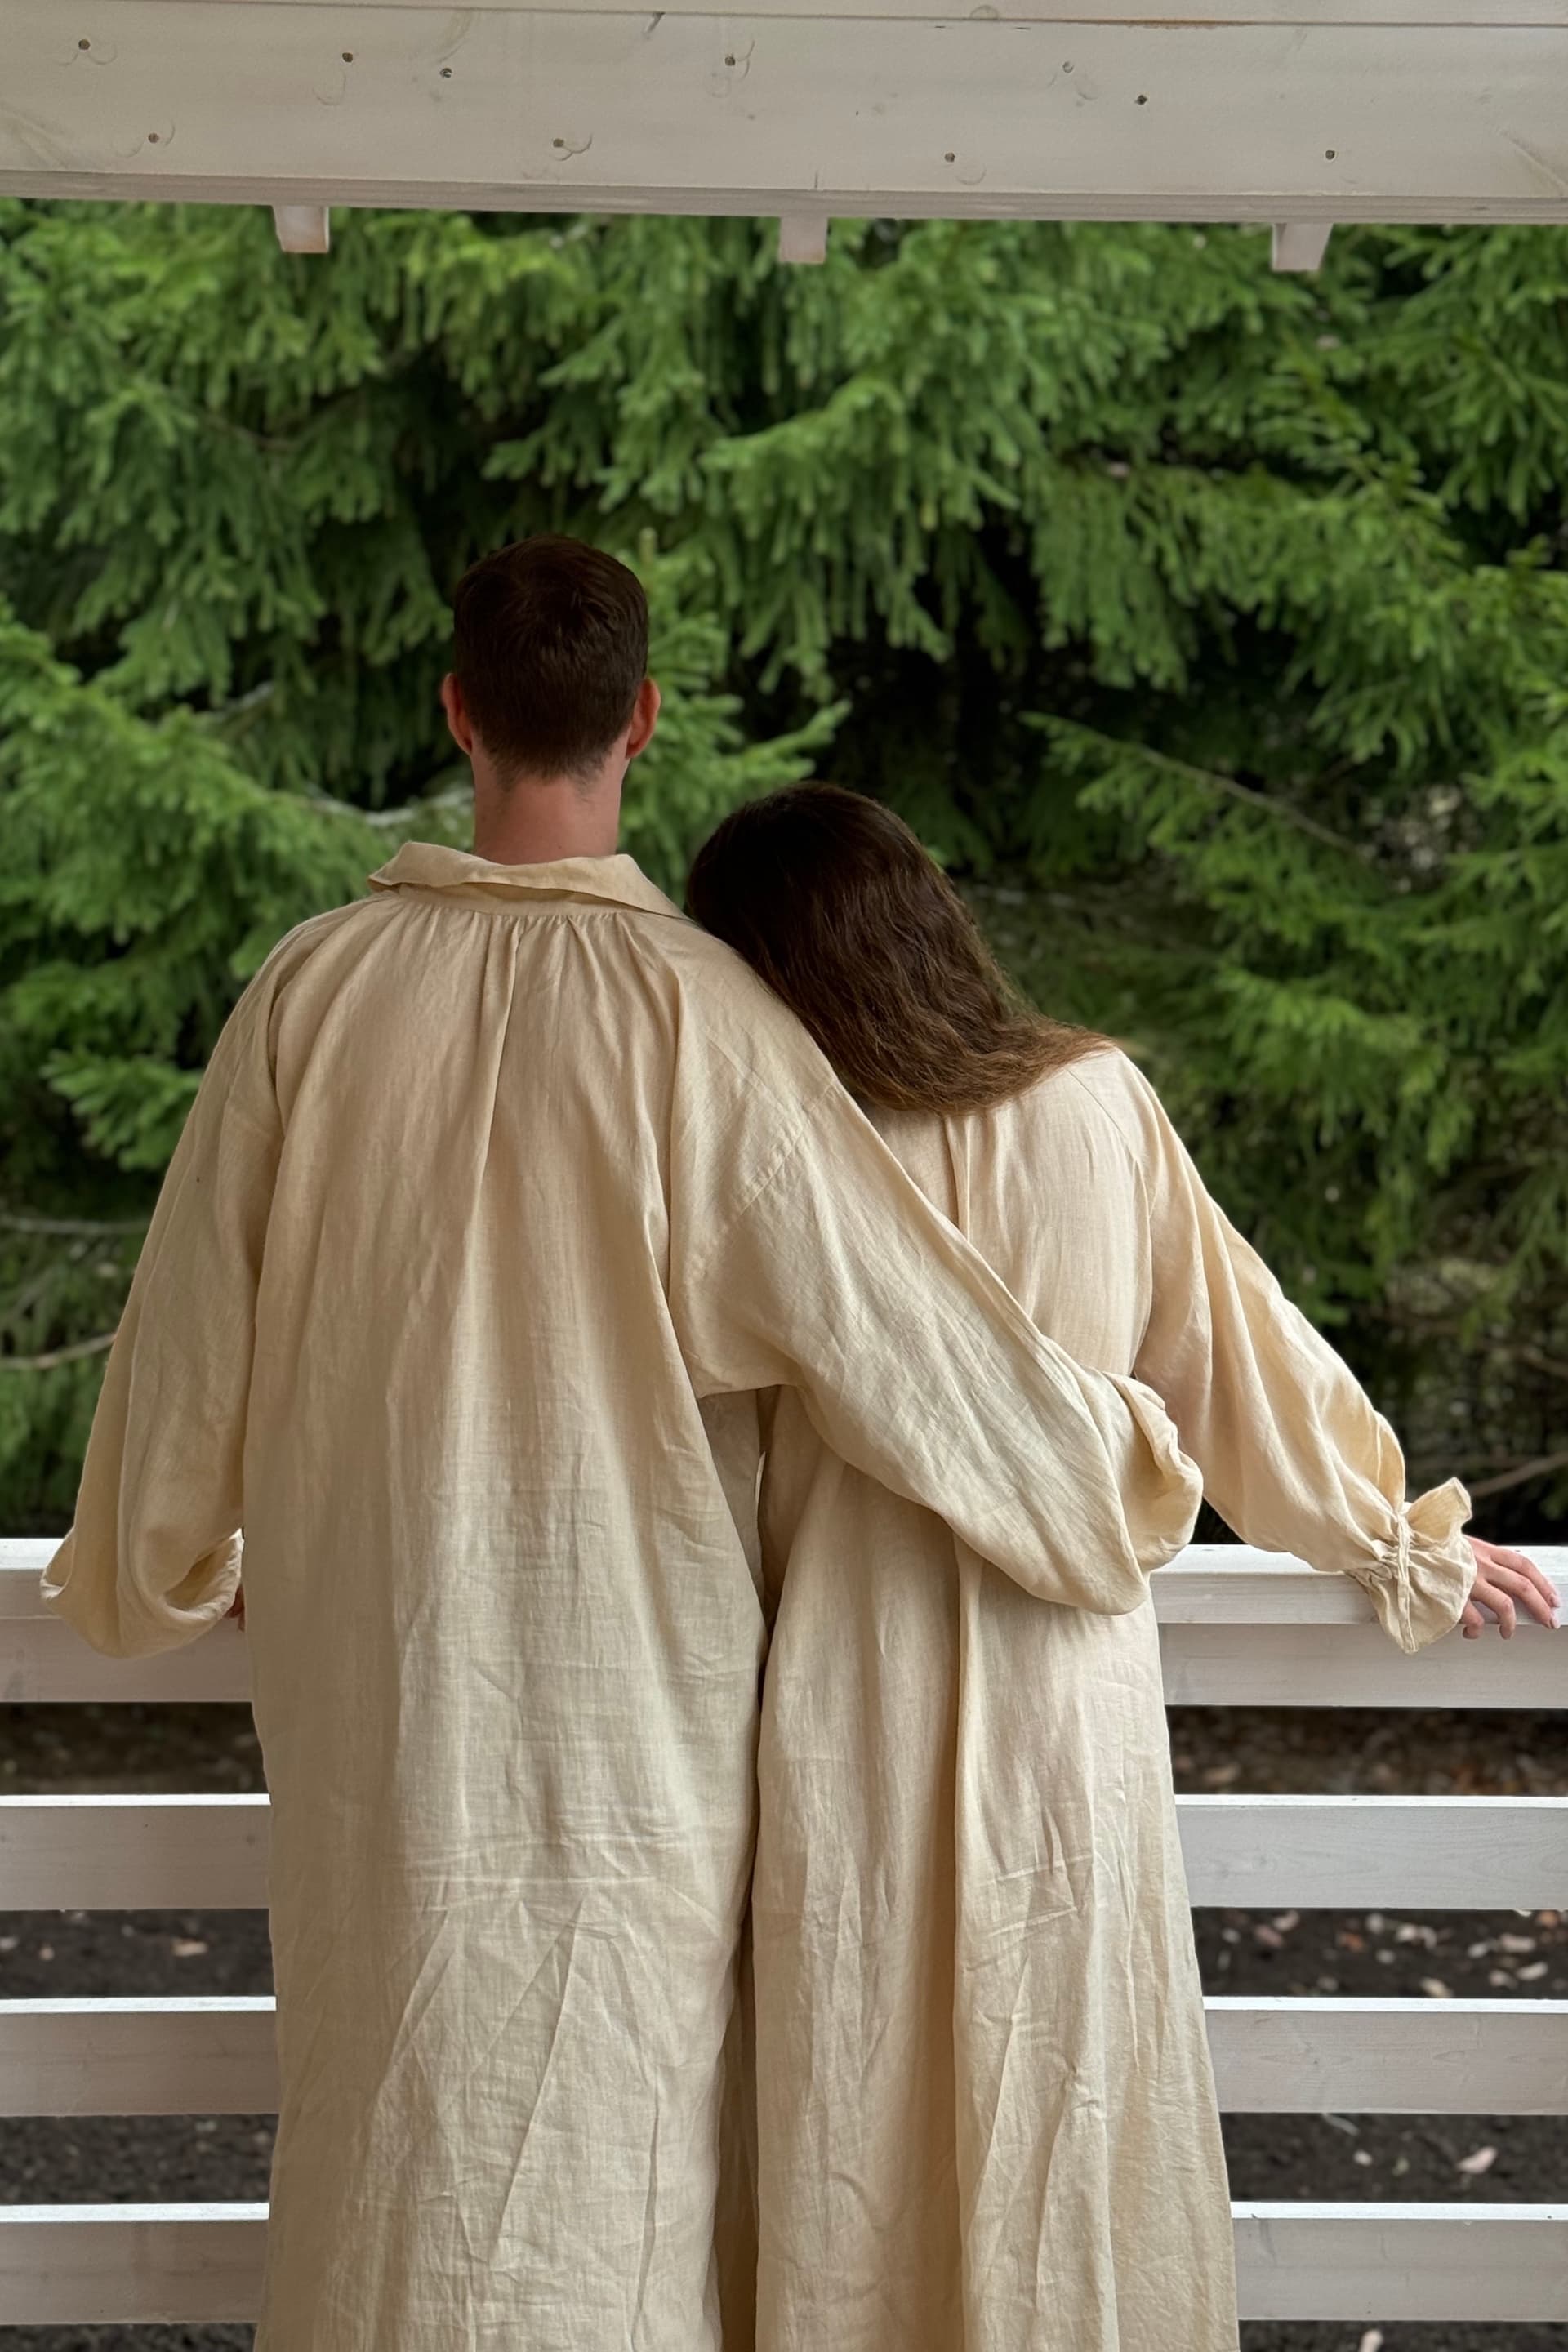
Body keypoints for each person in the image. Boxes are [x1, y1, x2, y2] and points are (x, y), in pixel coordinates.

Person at [41, 541, 1208, 2352]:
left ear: (458, 713)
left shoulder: (310, 996)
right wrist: (1120, 1468)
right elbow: (911, 1353)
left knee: (385, 2147)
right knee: (616, 2195)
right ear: (642, 722)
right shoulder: (709, 1027)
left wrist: (163, 1570)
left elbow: (188, 1351)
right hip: (630, 1740)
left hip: (379, 1720)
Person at [686, 781, 1559, 2352]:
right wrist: (1395, 1540)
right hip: (1064, 1698)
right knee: (1064, 2103)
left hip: (842, 1689)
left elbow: (680, 1460)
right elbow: (1237, 1356)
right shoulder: (1095, 1103)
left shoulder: (769, 1154)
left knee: (848, 2096)